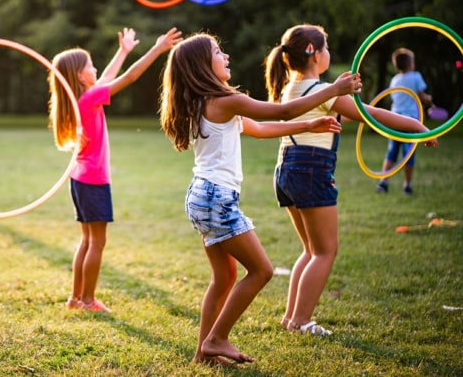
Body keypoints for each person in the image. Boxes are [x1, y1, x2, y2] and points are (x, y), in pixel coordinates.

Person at [159, 32, 360, 365]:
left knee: (223, 278)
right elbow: (281, 112)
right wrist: (332, 91)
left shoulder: (202, 102)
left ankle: (202, 354)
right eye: (217, 52)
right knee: (261, 271)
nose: (225, 56)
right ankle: (217, 340)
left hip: (200, 197)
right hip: (216, 198)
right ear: (201, 65)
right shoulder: (225, 100)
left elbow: (259, 128)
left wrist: (309, 126)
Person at [263, 24, 437, 337]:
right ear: (314, 54)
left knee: (310, 249)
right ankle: (302, 321)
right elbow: (370, 115)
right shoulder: (322, 92)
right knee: (324, 251)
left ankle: (293, 318)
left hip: (286, 168)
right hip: (310, 170)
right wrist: (415, 125)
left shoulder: (291, 87)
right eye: (326, 48)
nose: (329, 53)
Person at [49, 26, 183, 313]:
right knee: (97, 242)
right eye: (90, 66)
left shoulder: (83, 99)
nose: (96, 68)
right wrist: (158, 49)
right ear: (79, 76)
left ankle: (76, 298)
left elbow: (108, 76)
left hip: (79, 178)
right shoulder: (88, 99)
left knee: (86, 240)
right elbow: (130, 77)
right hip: (94, 180)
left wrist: (123, 51)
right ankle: (87, 300)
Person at [376, 47, 432, 195]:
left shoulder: (395, 80)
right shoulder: (416, 77)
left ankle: (383, 182)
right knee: (408, 153)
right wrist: (428, 99)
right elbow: (421, 95)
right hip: (409, 121)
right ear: (410, 63)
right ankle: (407, 185)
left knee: (391, 152)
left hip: (394, 120)